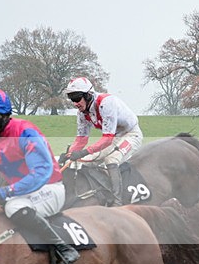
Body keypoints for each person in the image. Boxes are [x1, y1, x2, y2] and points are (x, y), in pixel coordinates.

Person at [0, 88, 79, 264]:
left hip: (49, 188)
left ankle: (63, 248)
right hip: (19, 193)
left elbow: (40, 174)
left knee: (13, 207)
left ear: (4, 116)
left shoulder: (26, 133)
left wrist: (3, 193)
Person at [61, 77, 143, 206]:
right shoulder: (81, 113)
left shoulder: (106, 103)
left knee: (111, 160)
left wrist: (83, 152)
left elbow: (107, 139)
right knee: (85, 161)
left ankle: (118, 202)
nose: (75, 103)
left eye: (77, 98)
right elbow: (81, 140)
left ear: (88, 95)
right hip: (114, 137)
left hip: (131, 134)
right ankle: (104, 191)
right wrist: (69, 155)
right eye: (72, 99)